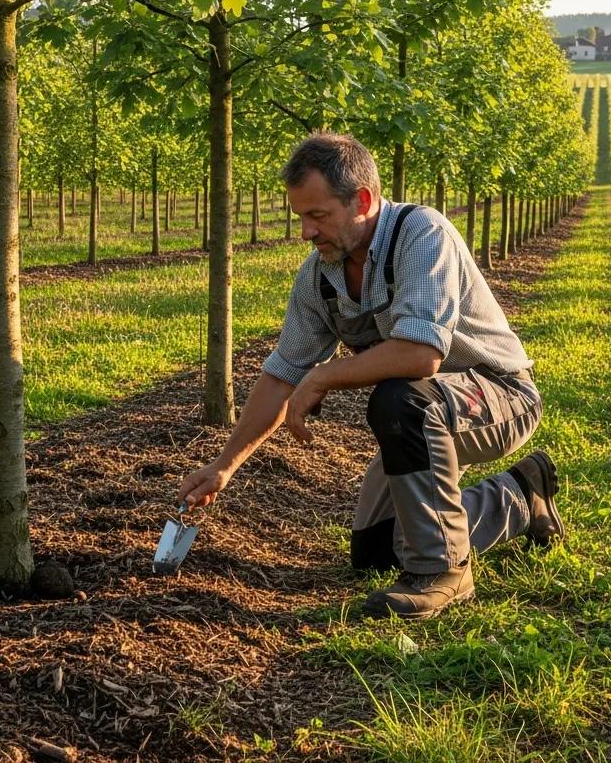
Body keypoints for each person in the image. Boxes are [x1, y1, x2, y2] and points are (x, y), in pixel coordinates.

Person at [178, 133, 563, 620]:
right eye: (300, 216)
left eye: (317, 216)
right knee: (376, 552)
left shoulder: (423, 234)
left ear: (362, 200)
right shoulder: (320, 277)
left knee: (400, 399)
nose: (305, 232)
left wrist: (323, 377)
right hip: (427, 415)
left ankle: (441, 572)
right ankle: (520, 495)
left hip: (499, 395)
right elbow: (281, 375)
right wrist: (225, 465)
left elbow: (421, 355)